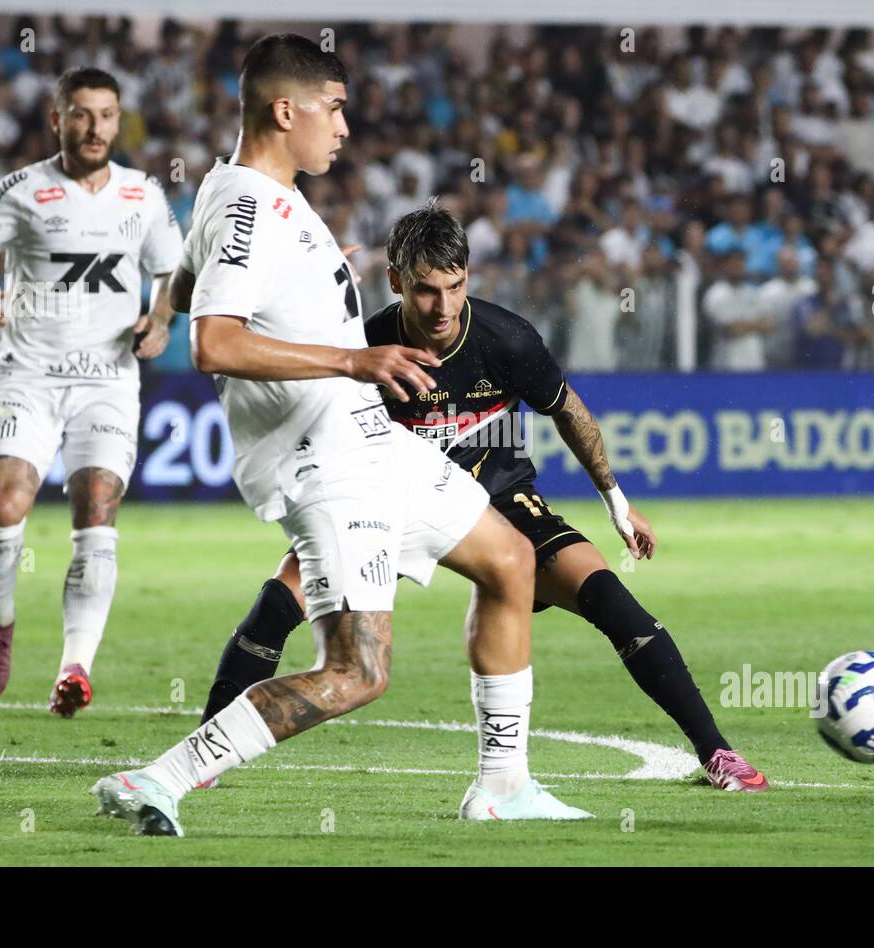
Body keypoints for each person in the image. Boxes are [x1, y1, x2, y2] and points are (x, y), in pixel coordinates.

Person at [91, 35, 589, 836]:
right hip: (326, 464)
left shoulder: (238, 192)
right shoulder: (252, 202)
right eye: (334, 107)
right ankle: (159, 778)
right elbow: (213, 341)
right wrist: (351, 356)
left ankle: (504, 786)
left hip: (372, 448)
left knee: (509, 559)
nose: (345, 127)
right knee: (358, 672)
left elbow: (188, 280)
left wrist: (264, 294)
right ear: (286, 110)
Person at [196, 203, 768, 793]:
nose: (443, 308)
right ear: (394, 282)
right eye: (425, 291)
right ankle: (200, 758)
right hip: (385, 505)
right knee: (276, 608)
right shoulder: (365, 349)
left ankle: (717, 753)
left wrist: (615, 499)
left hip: (499, 503)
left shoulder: (507, 340)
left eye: (455, 286)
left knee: (614, 603)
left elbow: (568, 410)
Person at [0, 67, 183, 716]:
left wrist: (160, 322)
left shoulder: (143, 196)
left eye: (106, 114)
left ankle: (76, 667)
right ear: (58, 120)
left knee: (97, 505)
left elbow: (171, 274)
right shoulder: (22, 190)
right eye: (80, 114)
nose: (94, 126)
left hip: (108, 380)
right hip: (30, 373)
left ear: (118, 119)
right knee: (6, 501)